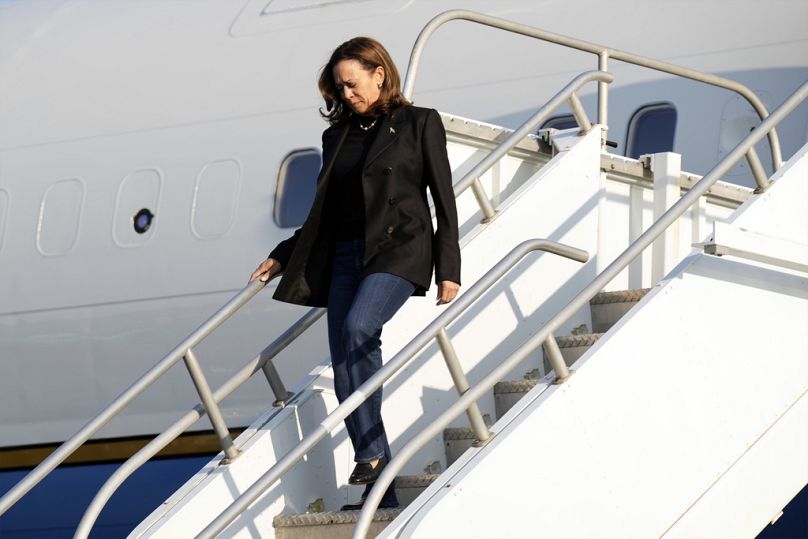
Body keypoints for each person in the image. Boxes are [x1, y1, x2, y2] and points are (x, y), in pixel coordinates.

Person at [250, 36, 461, 511]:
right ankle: (378, 478)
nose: (346, 95)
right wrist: (285, 251)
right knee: (344, 355)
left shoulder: (419, 123)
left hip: (399, 249)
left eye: (351, 84)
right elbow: (325, 208)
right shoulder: (337, 136)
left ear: (378, 73)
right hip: (347, 253)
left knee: (359, 326)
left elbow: (443, 200)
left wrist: (449, 267)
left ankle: (370, 452)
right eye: (338, 89)